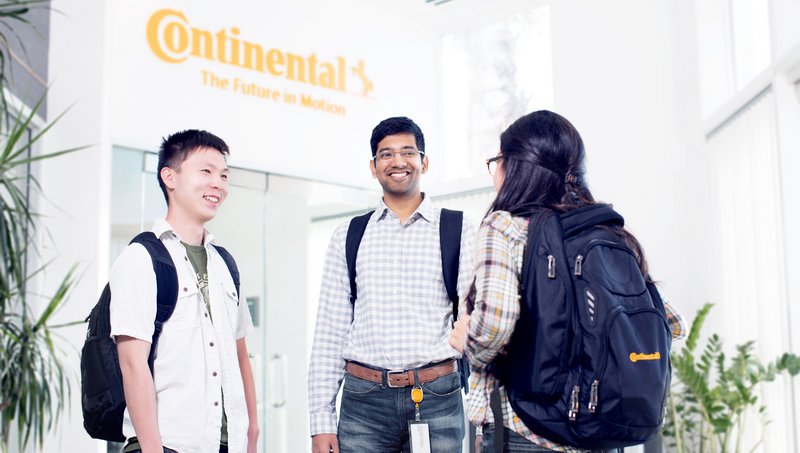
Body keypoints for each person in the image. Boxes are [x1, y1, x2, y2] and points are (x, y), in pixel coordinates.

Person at [449, 110, 687, 452]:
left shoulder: (505, 227)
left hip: (528, 433)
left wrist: (467, 341)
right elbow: (673, 324)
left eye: (497, 161)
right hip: (600, 430)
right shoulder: (606, 231)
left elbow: (495, 325)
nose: (495, 171)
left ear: (516, 167)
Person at [308, 116, 476, 453]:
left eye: (408, 152)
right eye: (386, 154)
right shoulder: (348, 235)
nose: (398, 161)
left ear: (424, 162)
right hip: (363, 403)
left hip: (438, 397)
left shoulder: (459, 229)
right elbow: (330, 331)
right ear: (374, 167)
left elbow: (474, 323)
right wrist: (320, 421)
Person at [110, 130, 259, 453]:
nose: (217, 184)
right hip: (169, 443)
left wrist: (252, 432)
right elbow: (132, 363)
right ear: (170, 177)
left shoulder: (224, 263)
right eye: (206, 171)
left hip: (227, 444)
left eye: (223, 175)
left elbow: (240, 354)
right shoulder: (142, 257)